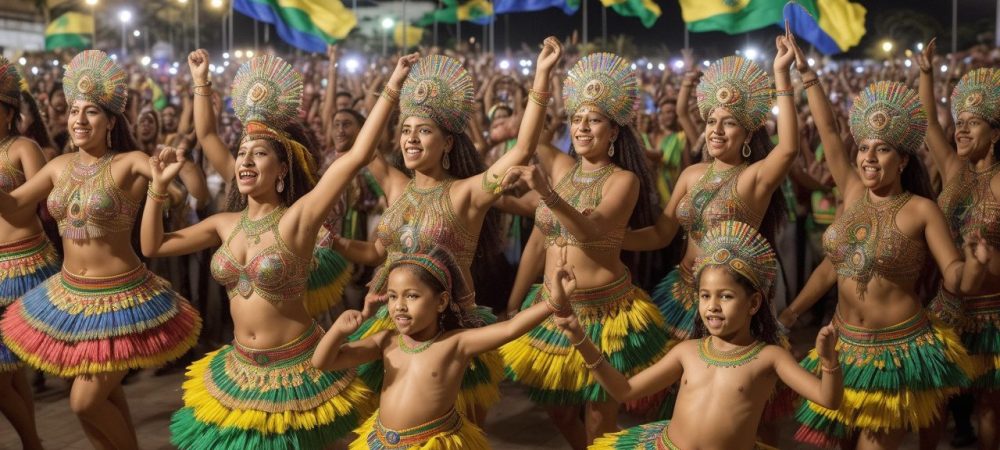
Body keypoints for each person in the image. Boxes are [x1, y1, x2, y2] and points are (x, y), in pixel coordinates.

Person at [147, 53, 414, 449]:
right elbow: (153, 244)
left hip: (297, 367)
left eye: (259, 153)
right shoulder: (225, 223)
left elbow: (356, 155)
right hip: (238, 367)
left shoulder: (298, 219)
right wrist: (156, 186)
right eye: (241, 153)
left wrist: (392, 85)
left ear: (282, 169)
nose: (245, 160)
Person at [331, 38, 563, 424]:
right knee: (391, 424)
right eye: (406, 131)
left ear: (448, 143)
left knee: (456, 431)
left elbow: (522, 150)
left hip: (451, 330)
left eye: (423, 131)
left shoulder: (465, 194)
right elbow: (362, 146)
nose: (410, 139)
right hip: (394, 324)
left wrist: (541, 75)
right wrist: (392, 85)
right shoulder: (393, 186)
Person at [789, 35, 987, 449]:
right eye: (863, 148)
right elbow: (827, 129)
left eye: (881, 150)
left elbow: (954, 277)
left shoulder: (921, 210)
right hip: (842, 347)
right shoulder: (852, 192)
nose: (868, 158)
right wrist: (807, 75)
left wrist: (974, 263)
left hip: (896, 355)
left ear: (904, 160)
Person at [0, 50, 201, 450]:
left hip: (121, 298)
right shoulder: (58, 165)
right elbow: (14, 205)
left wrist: (162, 185)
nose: (78, 119)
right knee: (105, 398)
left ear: (110, 121)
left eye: (90, 112)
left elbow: (181, 193)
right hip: (69, 297)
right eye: (74, 110)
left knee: (84, 401)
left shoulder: (130, 162)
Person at [499, 51, 671, 448]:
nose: (582, 127)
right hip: (552, 306)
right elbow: (528, 137)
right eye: (577, 119)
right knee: (559, 410)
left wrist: (547, 194)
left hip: (604, 312)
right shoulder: (560, 167)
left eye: (593, 120)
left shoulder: (624, 180)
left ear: (614, 132)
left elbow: (592, 232)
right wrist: (543, 73)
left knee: (600, 417)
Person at [555, 220, 842, 449]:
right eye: (705, 296)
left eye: (726, 296)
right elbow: (624, 391)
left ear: (754, 303)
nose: (712, 307)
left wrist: (829, 362)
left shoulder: (769, 357)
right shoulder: (687, 351)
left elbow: (828, 399)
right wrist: (581, 340)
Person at [623, 30, 800, 342]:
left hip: (729, 301)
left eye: (729, 123)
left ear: (747, 135)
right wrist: (607, 238)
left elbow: (787, 148)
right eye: (711, 121)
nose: (716, 130)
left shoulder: (753, 178)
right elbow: (662, 233)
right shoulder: (692, 174)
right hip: (681, 293)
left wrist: (781, 75)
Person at [311, 247, 577, 449]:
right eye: (393, 296)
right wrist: (337, 331)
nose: (399, 306)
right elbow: (323, 362)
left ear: (441, 302)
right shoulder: (386, 340)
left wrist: (554, 302)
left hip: (432, 442)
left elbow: (510, 329)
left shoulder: (455, 344)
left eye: (412, 296)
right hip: (380, 440)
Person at [918, 38, 1000, 450]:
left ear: (996, 133)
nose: (961, 129)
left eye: (973, 123)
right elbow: (931, 124)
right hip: (948, 303)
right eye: (961, 121)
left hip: (991, 312)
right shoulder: (953, 167)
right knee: (937, 400)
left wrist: (983, 261)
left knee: (988, 405)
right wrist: (926, 74)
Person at [0, 55, 59, 450]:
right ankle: (31, 442)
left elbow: (42, 201)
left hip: (24, 262)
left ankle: (31, 442)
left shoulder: (22, 147)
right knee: (7, 369)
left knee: (5, 369)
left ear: (8, 114)